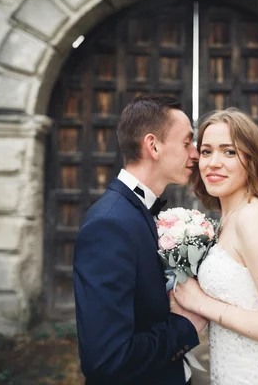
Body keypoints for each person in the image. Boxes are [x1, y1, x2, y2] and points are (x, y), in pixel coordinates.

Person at [73, 96, 207, 385]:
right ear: (153, 145)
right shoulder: (109, 224)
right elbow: (107, 359)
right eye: (186, 142)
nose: (195, 154)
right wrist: (184, 328)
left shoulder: (136, 212)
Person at [174, 108, 258, 384]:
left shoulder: (253, 217)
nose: (213, 163)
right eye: (206, 151)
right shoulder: (227, 220)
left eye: (229, 152)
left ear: (253, 160)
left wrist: (202, 303)